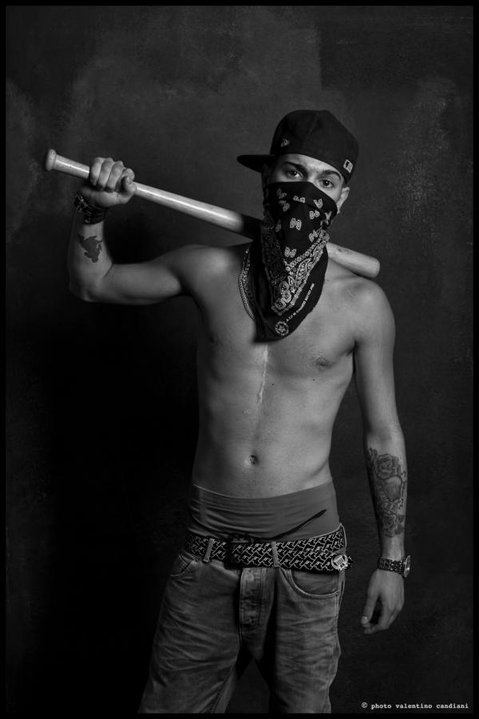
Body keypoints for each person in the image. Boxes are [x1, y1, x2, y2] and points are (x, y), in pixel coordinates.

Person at [67, 110, 410, 714]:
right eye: (293, 172)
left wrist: (392, 559)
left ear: (341, 198)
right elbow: (95, 283)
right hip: (208, 552)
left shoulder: (362, 303)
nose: (307, 191)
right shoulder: (208, 269)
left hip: (307, 559)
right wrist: (92, 209)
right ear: (267, 177)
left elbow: (383, 436)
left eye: (326, 182)